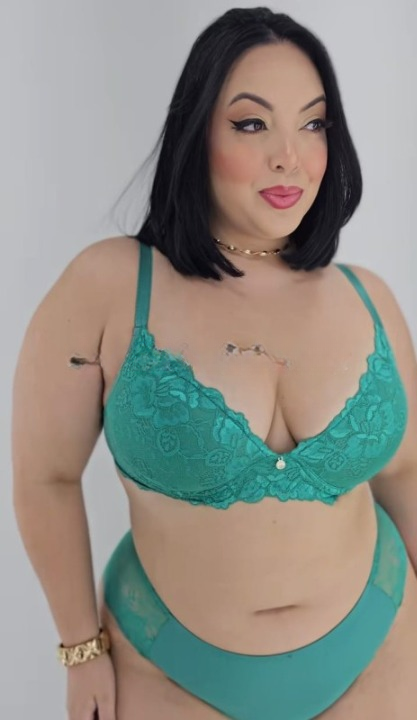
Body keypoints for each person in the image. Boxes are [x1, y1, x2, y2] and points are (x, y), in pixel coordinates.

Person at [12, 7, 417, 720]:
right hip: (170, 669)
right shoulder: (111, 285)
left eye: (314, 124)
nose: (289, 157)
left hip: (382, 645)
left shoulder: (368, 297)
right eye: (252, 124)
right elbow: (45, 477)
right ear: (197, 131)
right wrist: (80, 649)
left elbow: (404, 471)